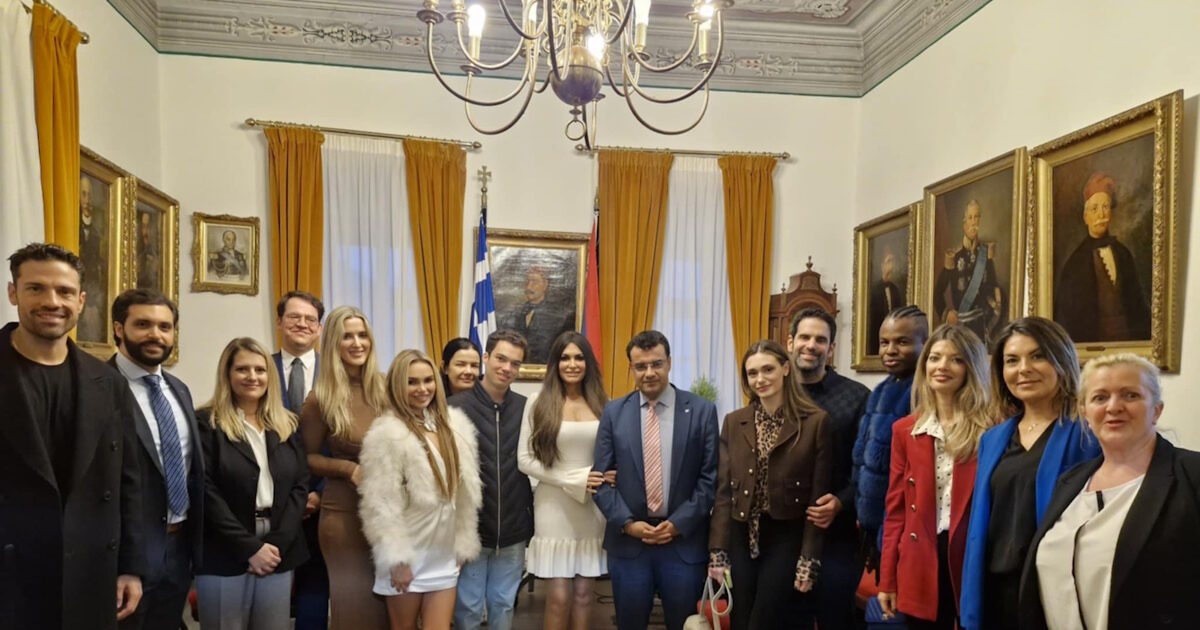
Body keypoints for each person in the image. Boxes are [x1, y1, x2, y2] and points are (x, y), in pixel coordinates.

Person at [0, 243, 145, 630]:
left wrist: (130, 567)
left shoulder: (108, 382)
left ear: (80, 301)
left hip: (88, 574)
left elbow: (128, 481)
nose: (52, 302)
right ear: (13, 293)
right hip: (10, 575)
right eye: (36, 288)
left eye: (64, 291)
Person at [1019, 353, 1199, 630]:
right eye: (1100, 397)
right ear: (1085, 412)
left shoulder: (1192, 476)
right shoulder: (1071, 482)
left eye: (1130, 395)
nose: (1114, 407)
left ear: (1157, 409)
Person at [958, 317, 1101, 630]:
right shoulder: (993, 439)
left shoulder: (1089, 436)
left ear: (1061, 360)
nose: (1023, 369)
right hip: (996, 592)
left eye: (1037, 356)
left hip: (1052, 596)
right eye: (1012, 360)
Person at [592, 330, 719, 630]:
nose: (649, 372)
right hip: (629, 544)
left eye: (656, 364)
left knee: (685, 624)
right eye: (641, 366)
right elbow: (600, 480)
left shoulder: (701, 411)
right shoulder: (613, 413)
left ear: (669, 362)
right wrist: (627, 524)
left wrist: (677, 524)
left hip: (682, 543)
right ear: (631, 368)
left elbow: (710, 478)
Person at [708, 339, 831, 630]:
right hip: (741, 534)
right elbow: (724, 493)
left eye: (768, 370)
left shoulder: (815, 422)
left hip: (785, 535)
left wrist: (809, 559)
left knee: (765, 619)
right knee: (741, 618)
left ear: (785, 369)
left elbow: (817, 500)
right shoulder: (734, 422)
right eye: (752, 373)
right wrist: (718, 552)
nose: (760, 379)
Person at [877, 325, 993, 629]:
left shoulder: (993, 428)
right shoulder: (905, 430)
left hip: (973, 557)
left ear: (971, 367)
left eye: (956, 359)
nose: (942, 366)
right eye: (934, 358)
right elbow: (896, 511)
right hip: (920, 560)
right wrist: (887, 578)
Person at [360, 349, 483, 630]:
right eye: (412, 382)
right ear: (396, 385)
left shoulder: (454, 425)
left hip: (444, 553)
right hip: (408, 552)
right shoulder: (386, 433)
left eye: (428, 380)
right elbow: (380, 505)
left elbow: (464, 497)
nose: (422, 389)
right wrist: (397, 560)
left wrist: (463, 543)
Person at [195, 337, 311, 630]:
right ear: (227, 374)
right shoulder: (206, 423)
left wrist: (275, 545)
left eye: (260, 370)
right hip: (224, 550)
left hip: (277, 551)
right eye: (242, 369)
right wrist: (249, 548)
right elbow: (205, 490)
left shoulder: (288, 423)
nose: (252, 377)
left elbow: (300, 486)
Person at [108, 289, 205, 630]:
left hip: (179, 548)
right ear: (119, 328)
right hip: (124, 555)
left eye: (165, 327)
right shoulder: (98, 386)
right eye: (143, 324)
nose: (156, 335)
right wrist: (124, 563)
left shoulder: (178, 389)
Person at [299, 306, 391, 629]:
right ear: (333, 344)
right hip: (344, 515)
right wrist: (347, 469)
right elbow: (306, 458)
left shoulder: (386, 387)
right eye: (347, 336)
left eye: (362, 335)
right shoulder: (320, 397)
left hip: (389, 514)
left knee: (389, 608)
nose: (357, 343)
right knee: (354, 608)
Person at [518, 331, 609, 629]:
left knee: (583, 595)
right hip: (553, 506)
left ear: (588, 362)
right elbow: (524, 460)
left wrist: (609, 474)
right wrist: (574, 480)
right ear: (555, 363)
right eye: (565, 358)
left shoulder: (603, 403)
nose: (572, 364)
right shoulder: (538, 402)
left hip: (592, 507)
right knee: (558, 596)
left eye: (579, 357)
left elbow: (611, 453)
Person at [787, 308, 870, 630]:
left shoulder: (858, 397)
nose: (811, 345)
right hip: (784, 535)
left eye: (820, 340)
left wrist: (840, 502)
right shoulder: (773, 393)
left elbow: (868, 467)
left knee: (835, 617)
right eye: (804, 337)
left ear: (831, 348)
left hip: (836, 534)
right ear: (790, 342)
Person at [450, 330, 533, 630]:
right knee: (468, 610)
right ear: (485, 357)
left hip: (513, 529)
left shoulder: (527, 408)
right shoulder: (455, 406)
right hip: (471, 529)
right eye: (501, 359)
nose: (507, 368)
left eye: (515, 363)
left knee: (503, 605)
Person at [850, 305, 928, 571]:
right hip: (871, 524)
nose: (890, 350)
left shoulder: (924, 394)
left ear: (925, 343)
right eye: (884, 343)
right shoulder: (881, 390)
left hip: (901, 528)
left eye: (902, 342)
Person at [272, 291, 329, 630]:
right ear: (279, 321)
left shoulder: (336, 374)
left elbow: (344, 443)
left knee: (315, 588)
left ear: (319, 328)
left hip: (320, 500)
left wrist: (319, 492)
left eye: (310, 319)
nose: (302, 324)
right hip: (270, 501)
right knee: (269, 589)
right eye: (294, 316)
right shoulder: (257, 369)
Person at [1054, 172, 1151, 342]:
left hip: (1127, 345)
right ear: (1086, 217)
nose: (1101, 215)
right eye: (1094, 209)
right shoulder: (1074, 264)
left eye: (1105, 207)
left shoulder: (1124, 255)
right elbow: (1067, 320)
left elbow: (1139, 308)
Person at [932, 200, 1005, 347]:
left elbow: (992, 285)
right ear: (964, 223)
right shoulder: (954, 256)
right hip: (961, 327)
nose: (973, 222)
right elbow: (937, 292)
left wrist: (995, 304)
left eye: (976, 217)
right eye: (970, 217)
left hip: (981, 326)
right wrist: (947, 314)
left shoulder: (985, 254)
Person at [500, 266, 573, 364]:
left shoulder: (559, 316)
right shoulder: (516, 313)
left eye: (534, 282)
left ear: (545, 285)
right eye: (527, 282)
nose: (529, 287)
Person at [78, 174, 107, 341]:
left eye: (90, 195)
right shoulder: (71, 228)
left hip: (94, 290)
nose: (87, 200)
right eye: (84, 194)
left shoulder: (99, 233)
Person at [867, 247, 902, 352]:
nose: (891, 266)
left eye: (893, 262)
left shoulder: (895, 290)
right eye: (889, 262)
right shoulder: (874, 290)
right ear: (882, 266)